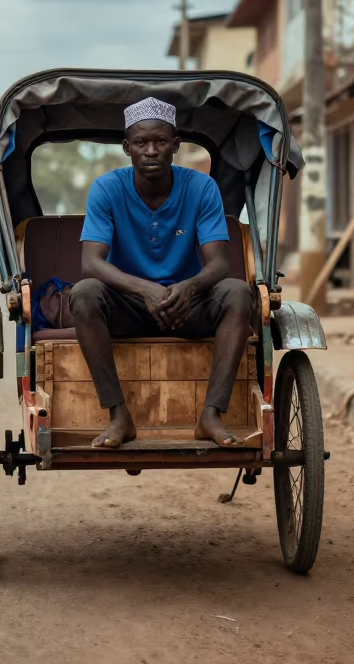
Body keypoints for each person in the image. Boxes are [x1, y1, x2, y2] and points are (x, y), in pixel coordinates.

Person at [69, 97, 254, 450]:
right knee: (85, 292)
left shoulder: (201, 188)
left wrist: (188, 287)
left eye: (160, 142)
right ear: (127, 148)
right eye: (141, 143)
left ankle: (211, 415)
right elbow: (91, 263)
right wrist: (145, 290)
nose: (151, 151)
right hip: (130, 308)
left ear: (175, 145)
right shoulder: (107, 188)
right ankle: (119, 415)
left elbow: (218, 264)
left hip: (189, 306)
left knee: (238, 292)